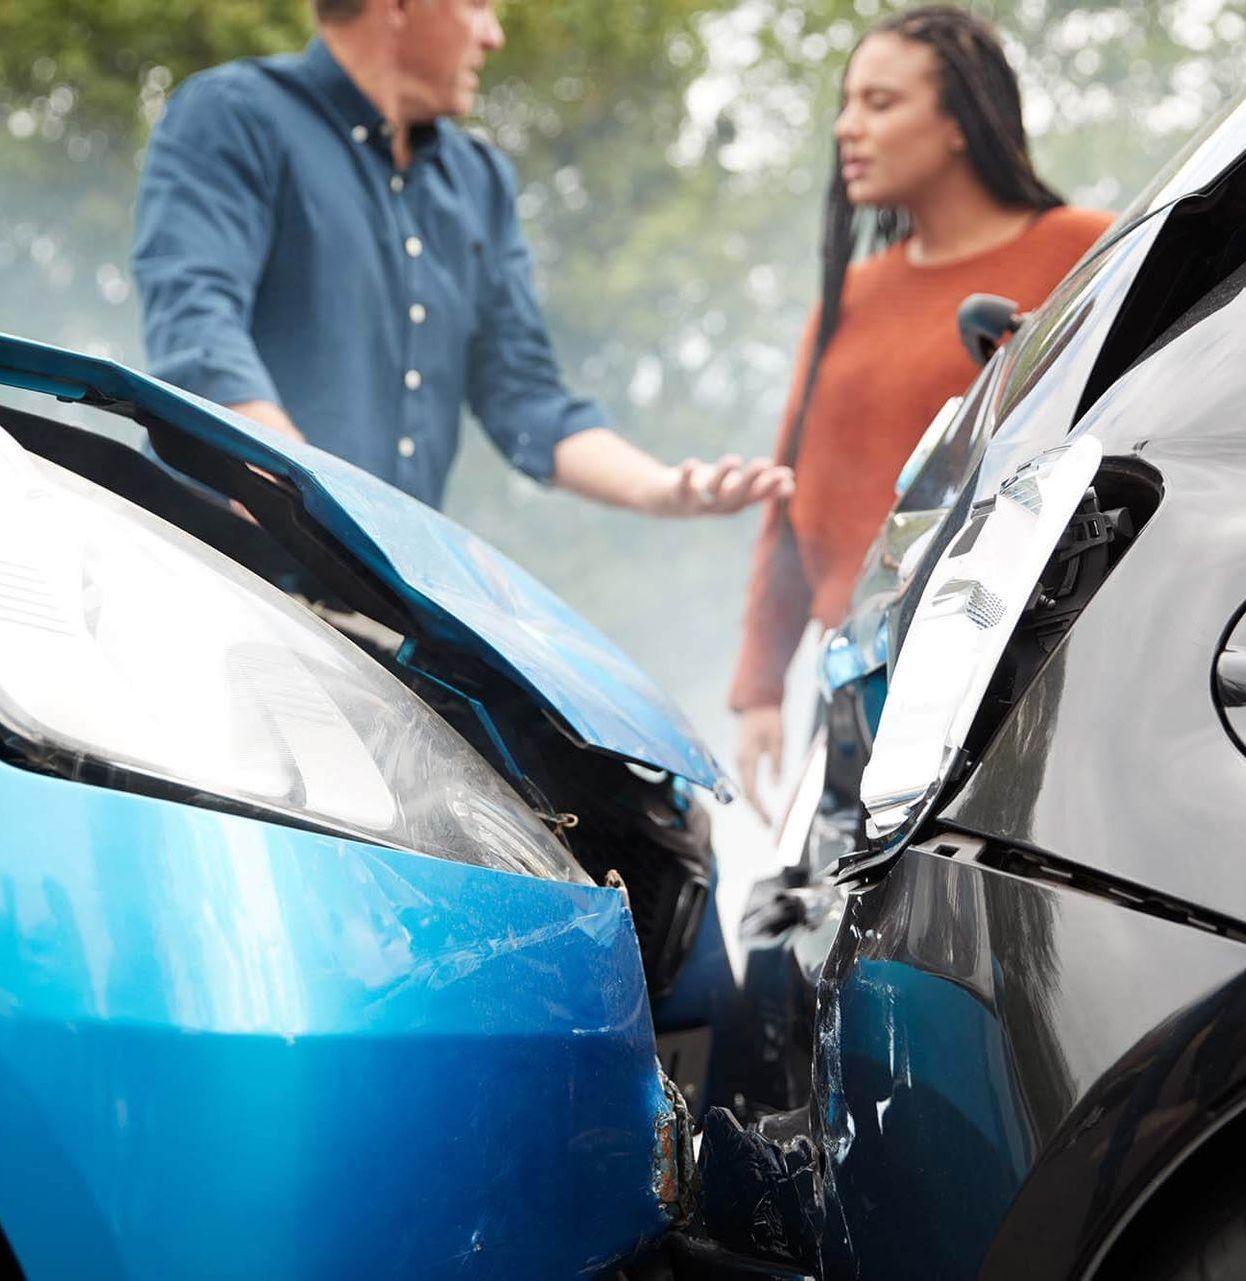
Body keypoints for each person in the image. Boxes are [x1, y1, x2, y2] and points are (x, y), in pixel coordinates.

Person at [131, 0, 793, 518]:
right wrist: (302, 501)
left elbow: (524, 397)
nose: (493, 35)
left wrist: (663, 487)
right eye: (476, 5)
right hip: (208, 572)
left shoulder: (479, 181)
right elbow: (198, 329)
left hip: (368, 615)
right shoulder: (233, 115)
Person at [730, 5, 1113, 818]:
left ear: (958, 121)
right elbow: (790, 496)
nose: (846, 128)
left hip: (1009, 687)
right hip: (852, 697)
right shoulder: (849, 298)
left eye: (879, 102)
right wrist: (761, 685)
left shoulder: (1086, 252)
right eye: (845, 102)